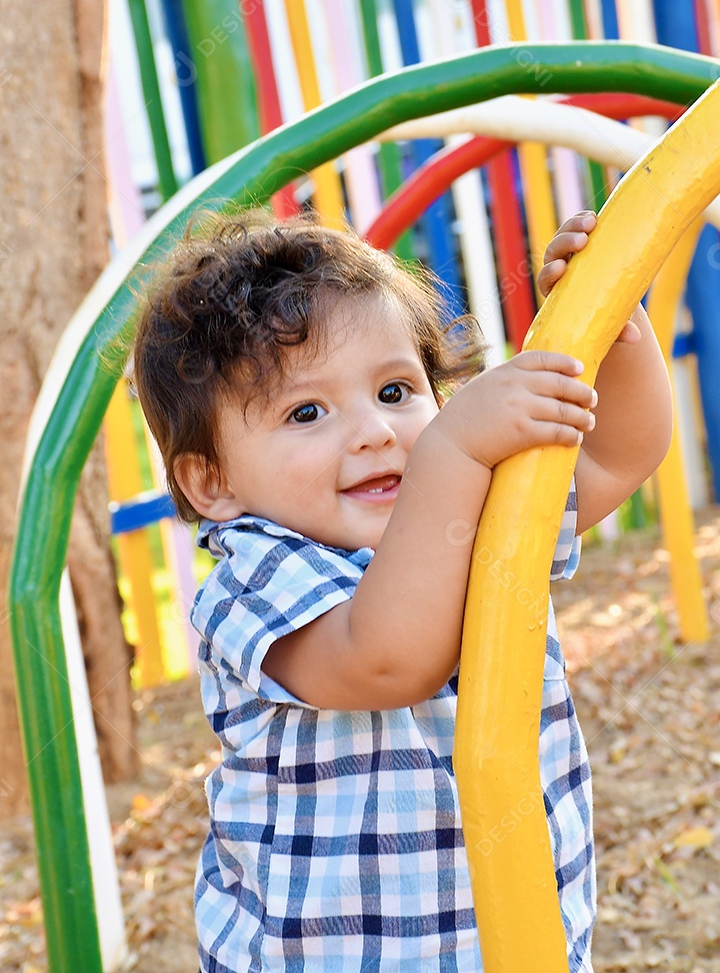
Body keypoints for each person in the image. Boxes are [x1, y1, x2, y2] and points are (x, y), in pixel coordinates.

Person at [133, 207, 672, 973]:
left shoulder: (476, 511)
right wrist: (450, 452)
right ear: (212, 481)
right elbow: (389, 659)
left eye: (394, 392)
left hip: (512, 940)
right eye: (307, 412)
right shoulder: (256, 574)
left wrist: (613, 328)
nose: (375, 432)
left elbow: (620, 456)